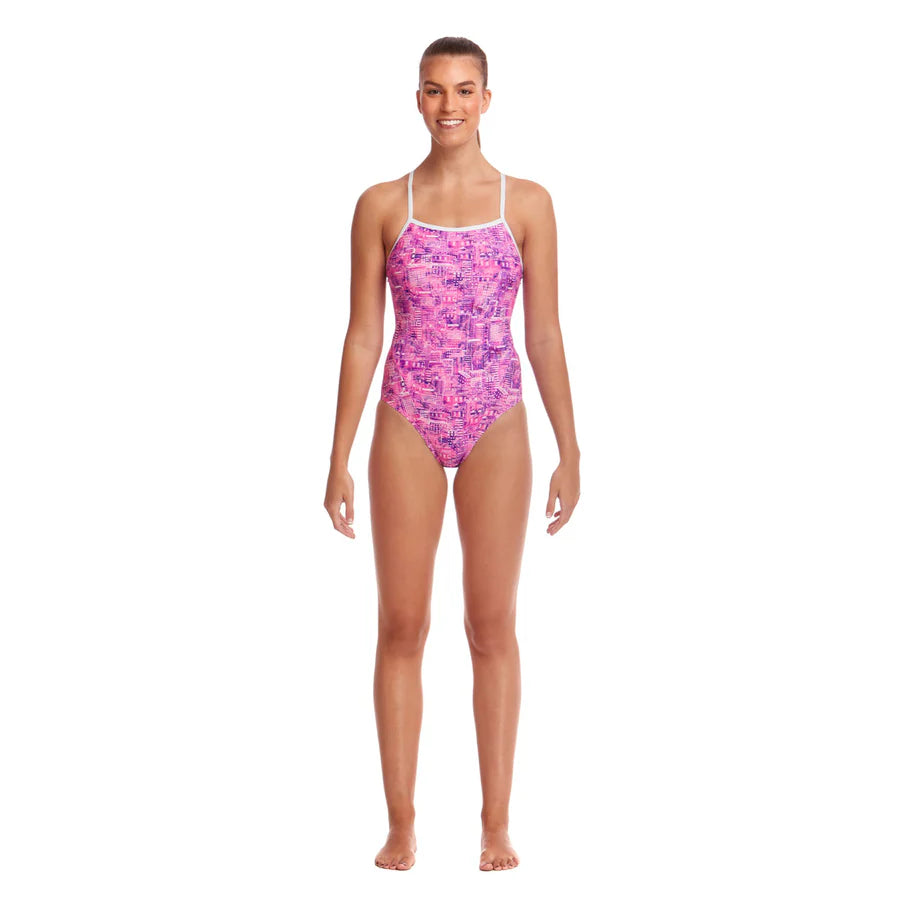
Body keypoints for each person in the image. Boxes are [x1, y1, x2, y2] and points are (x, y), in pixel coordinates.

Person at [324, 36, 580, 871]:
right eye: (435, 90)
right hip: (407, 413)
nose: (450, 105)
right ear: (417, 99)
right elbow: (363, 336)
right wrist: (337, 455)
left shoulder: (527, 204)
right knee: (402, 623)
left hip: (497, 416)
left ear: (487, 99)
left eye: (465, 90)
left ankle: (496, 823)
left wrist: (570, 448)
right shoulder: (381, 205)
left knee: (491, 623)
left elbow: (544, 335)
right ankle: (401, 822)